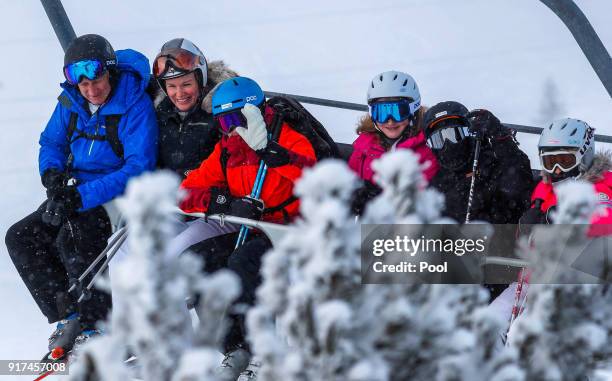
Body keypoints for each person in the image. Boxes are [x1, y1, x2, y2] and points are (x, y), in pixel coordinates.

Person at [4, 34, 158, 361]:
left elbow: (137, 167)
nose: (91, 88)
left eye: (97, 78)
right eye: (82, 82)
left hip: (117, 194)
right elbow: (51, 143)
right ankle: (69, 314)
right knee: (21, 236)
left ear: (111, 72)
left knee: (75, 236)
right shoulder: (71, 101)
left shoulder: (133, 103)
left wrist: (80, 197)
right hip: (76, 190)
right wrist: (53, 177)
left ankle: (98, 326)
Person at [178, 76, 317, 380]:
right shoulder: (228, 148)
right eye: (222, 121)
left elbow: (315, 182)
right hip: (251, 228)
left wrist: (272, 153)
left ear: (255, 112)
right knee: (200, 260)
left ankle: (262, 350)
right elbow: (187, 192)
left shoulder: (288, 139)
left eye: (234, 119)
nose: (230, 129)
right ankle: (233, 345)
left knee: (243, 262)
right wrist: (225, 202)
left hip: (289, 232)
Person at [423, 101, 534, 224]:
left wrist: (501, 138)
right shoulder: (436, 181)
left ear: (469, 133)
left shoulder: (492, 162)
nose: (447, 144)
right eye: (438, 140)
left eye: (456, 135)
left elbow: (520, 187)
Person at [348, 70, 439, 214]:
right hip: (371, 229)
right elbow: (350, 187)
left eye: (398, 112)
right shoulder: (364, 149)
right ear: (372, 114)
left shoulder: (427, 148)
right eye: (382, 113)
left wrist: (382, 197)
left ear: (413, 110)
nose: (390, 120)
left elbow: (428, 195)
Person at [151, 38, 238, 178]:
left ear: (200, 79)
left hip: (206, 193)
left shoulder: (223, 110)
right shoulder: (161, 111)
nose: (179, 94)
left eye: (186, 85)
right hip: (166, 194)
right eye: (171, 86)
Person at [519, 118, 612, 229]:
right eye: (550, 162)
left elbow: (604, 222)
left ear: (584, 158)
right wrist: (525, 230)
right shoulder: (544, 188)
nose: (557, 170)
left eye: (565, 161)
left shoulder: (601, 186)